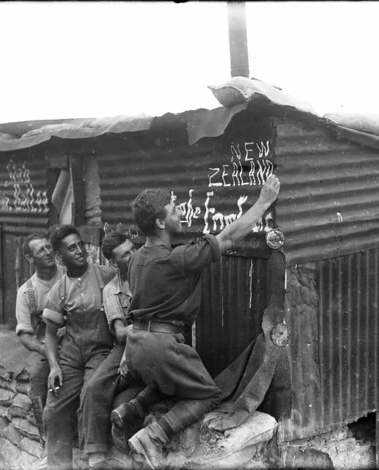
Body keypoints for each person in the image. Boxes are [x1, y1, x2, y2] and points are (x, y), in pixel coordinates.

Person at [112, 174, 281, 468]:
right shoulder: (176, 258)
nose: (182, 213)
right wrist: (264, 201)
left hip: (138, 345)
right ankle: (153, 436)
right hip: (161, 347)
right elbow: (228, 236)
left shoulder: (138, 257)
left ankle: (131, 408)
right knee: (207, 395)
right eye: (175, 209)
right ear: (161, 223)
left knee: (172, 382)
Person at [41, 225, 119, 470]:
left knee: (91, 393)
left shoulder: (104, 275)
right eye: (71, 248)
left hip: (100, 351)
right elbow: (50, 335)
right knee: (54, 406)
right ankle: (58, 465)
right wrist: (54, 366)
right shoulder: (59, 290)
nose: (79, 251)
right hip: (72, 355)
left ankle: (94, 460)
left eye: (80, 245)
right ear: (59, 257)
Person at [78, 231, 139, 469]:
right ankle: (96, 457)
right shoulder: (111, 289)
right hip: (124, 346)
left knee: (125, 392)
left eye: (133, 249)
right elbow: (121, 333)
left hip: (154, 344)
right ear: (114, 263)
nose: (133, 255)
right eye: (125, 254)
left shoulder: (151, 275)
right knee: (94, 387)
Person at [14, 233, 65, 440]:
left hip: (78, 334)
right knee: (37, 376)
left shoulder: (68, 274)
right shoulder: (27, 292)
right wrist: (47, 350)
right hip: (48, 342)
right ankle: (46, 438)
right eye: (41, 250)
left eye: (48, 247)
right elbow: (25, 335)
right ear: (29, 258)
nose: (48, 252)